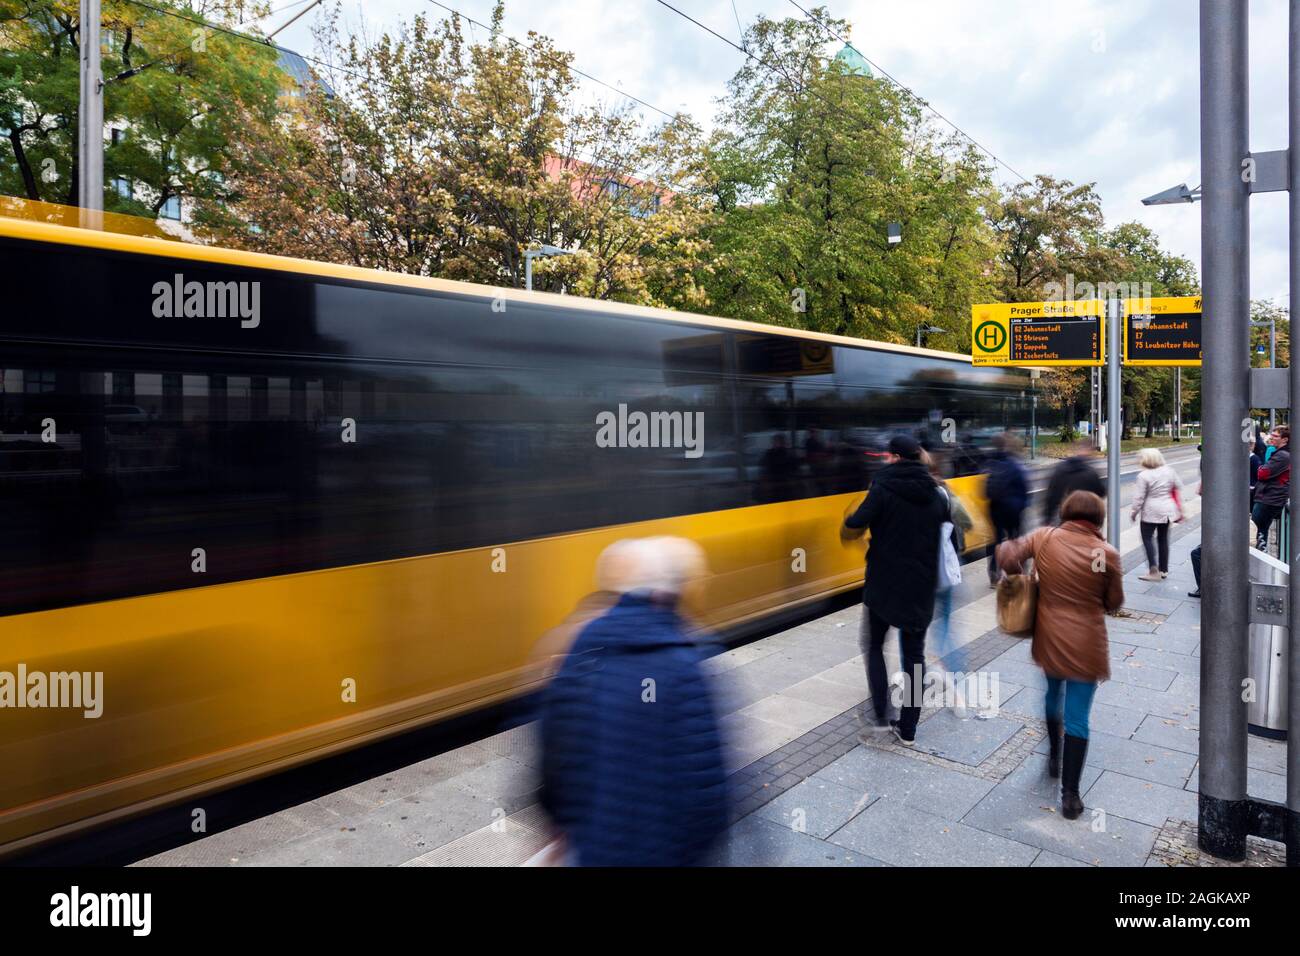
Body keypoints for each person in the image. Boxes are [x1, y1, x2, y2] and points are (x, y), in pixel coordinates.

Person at [538, 536, 727, 866]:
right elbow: (707, 788)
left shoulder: (580, 648)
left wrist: (558, 821)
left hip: (593, 850)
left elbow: (554, 752)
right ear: (666, 593)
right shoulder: (688, 661)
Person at [997, 491, 1123, 820]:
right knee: (1078, 715)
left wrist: (1019, 573)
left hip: (1050, 635)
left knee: (1053, 695)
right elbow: (1114, 603)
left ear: (1066, 512)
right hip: (1087, 642)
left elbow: (1007, 554)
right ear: (1098, 518)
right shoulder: (1105, 553)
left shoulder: (1044, 537)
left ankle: (1054, 756)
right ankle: (1070, 795)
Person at [842, 434, 948, 746]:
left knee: (873, 645)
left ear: (896, 457)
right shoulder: (937, 493)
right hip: (921, 586)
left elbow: (856, 523)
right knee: (914, 656)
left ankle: (881, 715)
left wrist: (850, 522)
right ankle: (909, 729)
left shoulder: (883, 487)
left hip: (884, 584)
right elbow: (951, 541)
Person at [924, 450, 975, 715]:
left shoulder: (922, 496)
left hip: (926, 572)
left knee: (922, 628)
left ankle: (928, 681)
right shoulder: (947, 493)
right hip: (948, 568)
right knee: (944, 624)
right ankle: (955, 677)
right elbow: (967, 521)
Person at [982, 433, 1029, 586]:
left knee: (995, 541)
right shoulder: (1014, 464)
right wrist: (1023, 505)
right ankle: (1016, 572)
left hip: (994, 509)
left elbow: (984, 490)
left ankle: (994, 575)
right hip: (1013, 510)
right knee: (1015, 541)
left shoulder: (990, 463)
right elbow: (1024, 488)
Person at [1130, 448, 1184, 582]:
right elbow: (1178, 485)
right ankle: (1163, 570)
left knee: (1147, 538)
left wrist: (1134, 512)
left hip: (1151, 511)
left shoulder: (1143, 475)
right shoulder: (1169, 471)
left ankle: (1153, 570)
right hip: (1167, 510)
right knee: (1163, 539)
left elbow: (1139, 498)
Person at [1042, 438, 1106, 526]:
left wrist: (1047, 517)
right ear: (1090, 450)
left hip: (1063, 517)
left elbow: (1051, 496)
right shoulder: (1091, 473)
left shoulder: (1060, 468)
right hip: (1085, 520)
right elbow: (1100, 494)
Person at [1253, 426, 1290, 552]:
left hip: (1269, 499)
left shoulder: (1282, 456)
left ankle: (1257, 559)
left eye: (1275, 436)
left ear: (1284, 440)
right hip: (1270, 497)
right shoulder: (1281, 453)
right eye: (1271, 434)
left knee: (1256, 531)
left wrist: (1260, 468)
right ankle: (1260, 557)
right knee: (1261, 532)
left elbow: (1262, 473)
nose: (1271, 438)